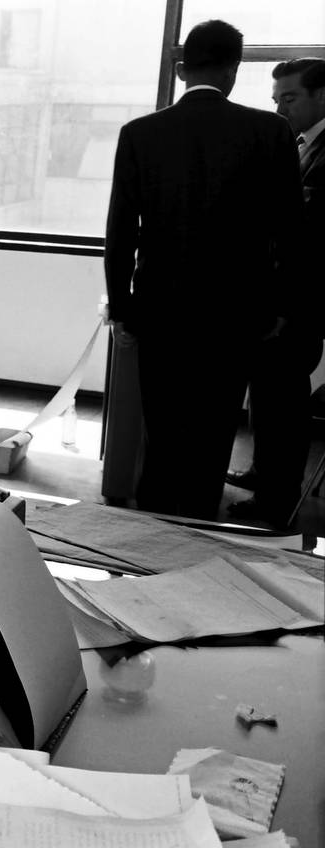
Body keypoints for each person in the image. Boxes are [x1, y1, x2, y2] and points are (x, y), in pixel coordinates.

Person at [104, 19, 304, 520]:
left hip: (159, 307)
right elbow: (289, 230)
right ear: (234, 70)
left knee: (161, 427)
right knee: (214, 432)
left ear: (180, 70)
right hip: (236, 312)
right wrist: (282, 306)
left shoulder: (140, 133)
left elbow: (121, 230)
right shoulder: (270, 132)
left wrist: (122, 308)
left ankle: (151, 524)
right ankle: (196, 523)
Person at [226, 58, 325, 528]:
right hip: (278, 302)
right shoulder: (302, 146)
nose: (281, 110)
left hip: (298, 307)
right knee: (266, 396)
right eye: (276, 100)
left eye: (290, 98)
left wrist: (283, 306)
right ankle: (263, 473)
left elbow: (308, 244)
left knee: (283, 404)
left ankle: (275, 502)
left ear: (322, 96)